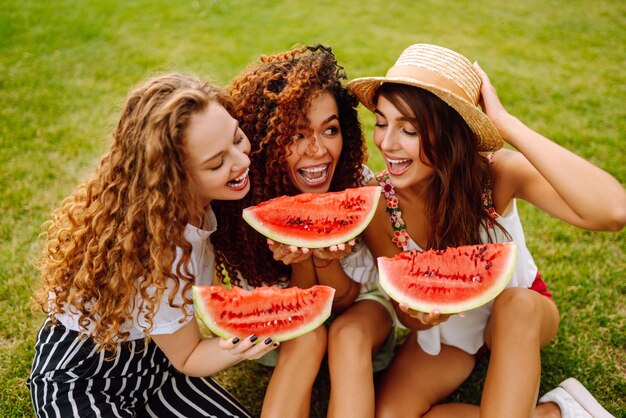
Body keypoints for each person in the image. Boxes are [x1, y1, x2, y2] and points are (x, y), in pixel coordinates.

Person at [346, 44, 625, 418]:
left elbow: (612, 211)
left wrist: (507, 125)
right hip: (446, 337)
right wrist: (425, 315)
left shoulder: (497, 175)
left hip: (520, 313)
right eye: (381, 122)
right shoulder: (381, 203)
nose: (387, 143)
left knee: (516, 304)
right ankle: (557, 411)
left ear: (449, 133)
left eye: (408, 129)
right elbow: (407, 315)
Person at [27, 73, 280, 418]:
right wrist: (245, 344)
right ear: (174, 179)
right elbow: (188, 357)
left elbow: (211, 299)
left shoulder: (206, 205)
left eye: (237, 138)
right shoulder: (156, 252)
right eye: (217, 162)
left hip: (159, 367)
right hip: (84, 378)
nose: (242, 161)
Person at [211, 44, 396, 418]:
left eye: (329, 129)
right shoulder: (244, 203)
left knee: (349, 334)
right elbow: (296, 310)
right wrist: (302, 262)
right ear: (265, 141)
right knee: (306, 334)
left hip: (359, 309)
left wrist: (326, 260)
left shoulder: (356, 184)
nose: (318, 150)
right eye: (296, 136)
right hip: (284, 330)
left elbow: (343, 302)